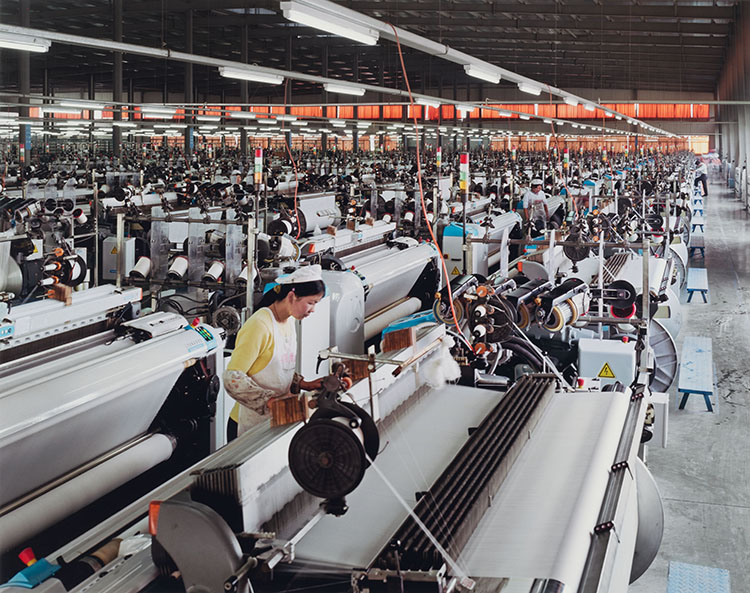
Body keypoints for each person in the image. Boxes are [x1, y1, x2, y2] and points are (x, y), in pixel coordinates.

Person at [224, 265, 325, 438]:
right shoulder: (260, 325)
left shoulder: (289, 321)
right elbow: (232, 378)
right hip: (249, 425)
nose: (313, 310)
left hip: (275, 420)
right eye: (310, 303)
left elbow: (274, 367)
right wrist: (269, 402)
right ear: (292, 296)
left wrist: (303, 384)